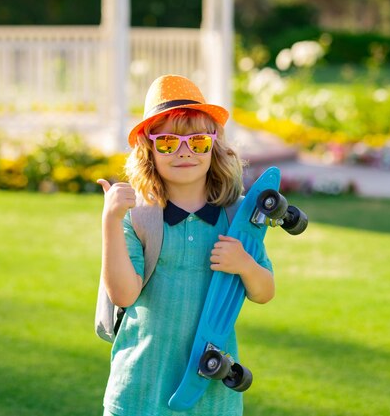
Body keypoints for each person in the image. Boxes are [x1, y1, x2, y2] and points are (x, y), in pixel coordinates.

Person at [96, 74, 275, 416]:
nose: (184, 152)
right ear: (149, 149)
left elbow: (265, 290)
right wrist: (111, 221)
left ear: (213, 146)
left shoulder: (237, 218)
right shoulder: (138, 218)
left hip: (210, 394)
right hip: (139, 391)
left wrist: (245, 265)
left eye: (197, 142)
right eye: (167, 142)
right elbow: (123, 295)